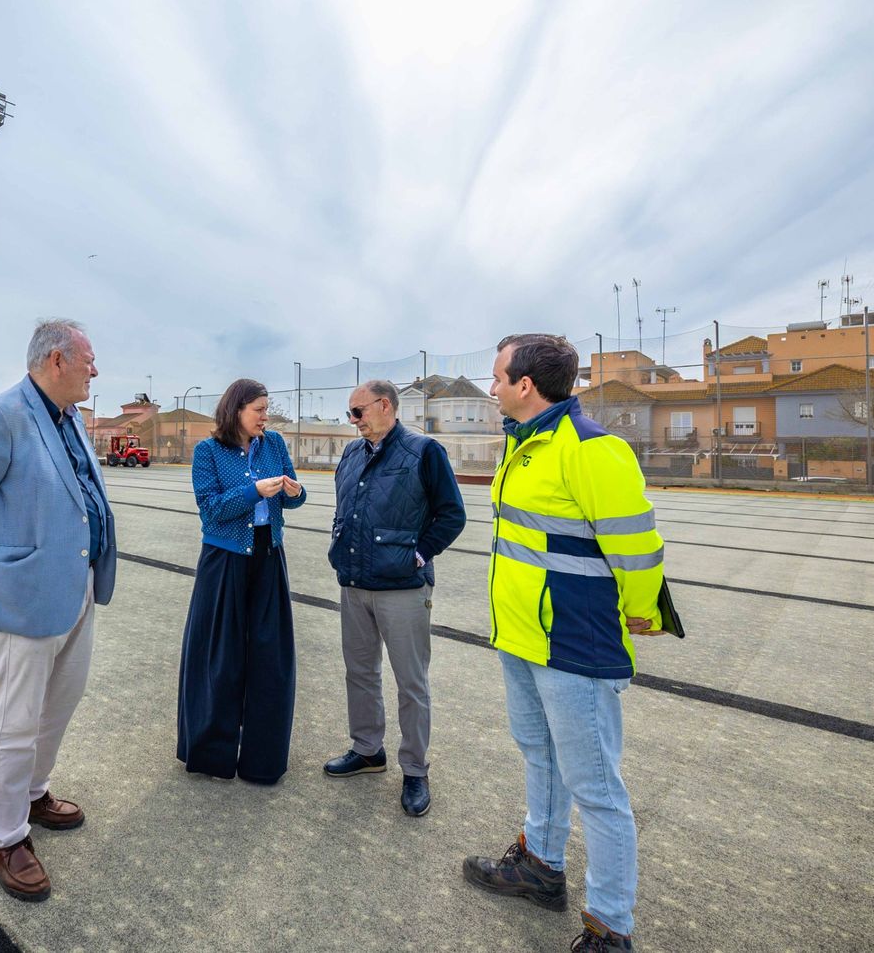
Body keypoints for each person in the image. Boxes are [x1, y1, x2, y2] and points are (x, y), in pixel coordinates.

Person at [463, 334, 666, 953]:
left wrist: (639, 611)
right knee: (538, 753)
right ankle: (541, 866)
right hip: (522, 636)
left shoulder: (592, 449)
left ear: (525, 385)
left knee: (596, 785)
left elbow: (635, 542)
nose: (492, 386)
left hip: (574, 640)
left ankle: (610, 926)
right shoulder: (522, 445)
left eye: (498, 376)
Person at [0, 318, 117, 903]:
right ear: (56, 359)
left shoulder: (68, 421)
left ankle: (32, 793)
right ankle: (5, 837)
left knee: (57, 706)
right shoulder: (2, 415)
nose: (95, 369)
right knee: (13, 722)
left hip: (77, 591)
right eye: (88, 359)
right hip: (20, 598)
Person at [323, 379, 466, 816]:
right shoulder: (351, 454)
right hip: (356, 584)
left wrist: (418, 555)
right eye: (350, 414)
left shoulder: (423, 452)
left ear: (385, 405)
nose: (353, 421)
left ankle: (415, 769)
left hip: (403, 588)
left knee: (411, 683)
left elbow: (452, 514)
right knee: (360, 673)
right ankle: (368, 750)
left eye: (357, 412)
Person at [177, 379, 306, 783]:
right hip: (224, 560)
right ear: (236, 410)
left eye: (267, 408)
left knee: (272, 657)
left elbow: (291, 497)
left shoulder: (275, 445)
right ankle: (211, 754)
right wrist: (253, 492)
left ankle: (262, 761)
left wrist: (295, 492)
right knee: (220, 658)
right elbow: (211, 510)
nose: (266, 416)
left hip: (269, 555)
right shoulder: (208, 452)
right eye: (259, 409)